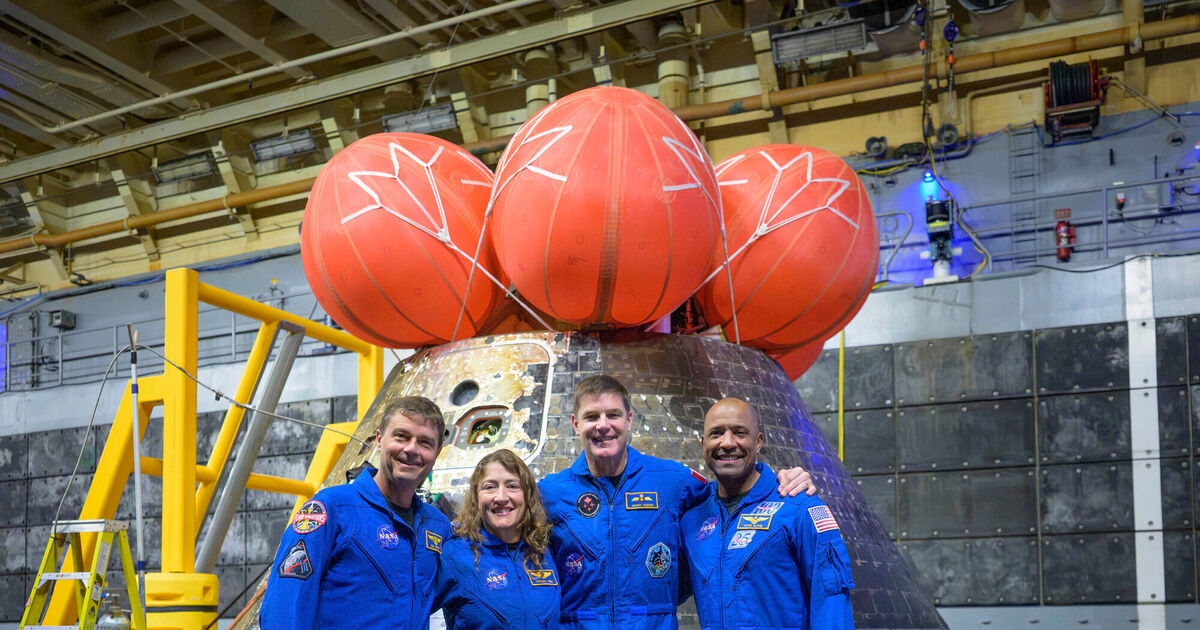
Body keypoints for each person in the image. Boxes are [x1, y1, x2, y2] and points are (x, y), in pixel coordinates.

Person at [538, 375, 816, 630]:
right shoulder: (549, 493)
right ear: (576, 424)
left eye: (613, 415)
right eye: (591, 417)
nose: (603, 425)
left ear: (629, 420)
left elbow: (731, 491)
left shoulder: (672, 480)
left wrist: (782, 478)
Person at [259, 396, 453, 630]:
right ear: (380, 440)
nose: (411, 449)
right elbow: (286, 607)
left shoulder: (438, 527)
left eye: (425, 442)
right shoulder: (331, 510)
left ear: (437, 451)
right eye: (401, 436)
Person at [680, 398, 855, 630]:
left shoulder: (798, 507)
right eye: (716, 433)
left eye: (740, 432)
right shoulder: (692, 519)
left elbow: (832, 604)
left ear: (759, 441)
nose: (728, 443)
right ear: (703, 443)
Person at [435, 449, 560, 629]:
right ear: (476, 497)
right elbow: (408, 610)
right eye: (490, 487)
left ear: (527, 495)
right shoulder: (453, 556)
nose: (501, 497)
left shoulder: (545, 553)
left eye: (512, 486)